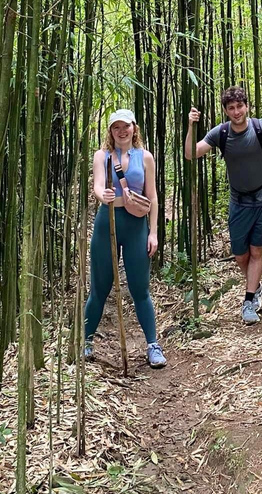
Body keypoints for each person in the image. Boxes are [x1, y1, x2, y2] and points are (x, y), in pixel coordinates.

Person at [185, 86, 262, 325]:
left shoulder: (260, 127)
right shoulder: (221, 133)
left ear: (247, 106)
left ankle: (249, 299)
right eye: (231, 108)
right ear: (225, 110)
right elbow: (191, 153)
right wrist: (191, 126)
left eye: (240, 106)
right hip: (239, 201)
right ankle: (257, 287)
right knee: (240, 254)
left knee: (256, 251)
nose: (236, 112)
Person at [84, 109, 166, 369]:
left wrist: (153, 232)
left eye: (126, 126)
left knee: (140, 289)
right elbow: (97, 184)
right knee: (99, 288)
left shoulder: (146, 157)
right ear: (110, 131)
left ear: (134, 128)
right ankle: (85, 341)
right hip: (106, 223)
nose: (121, 131)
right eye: (116, 127)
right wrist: (102, 195)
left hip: (136, 226)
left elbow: (152, 197)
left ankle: (153, 346)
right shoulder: (102, 155)